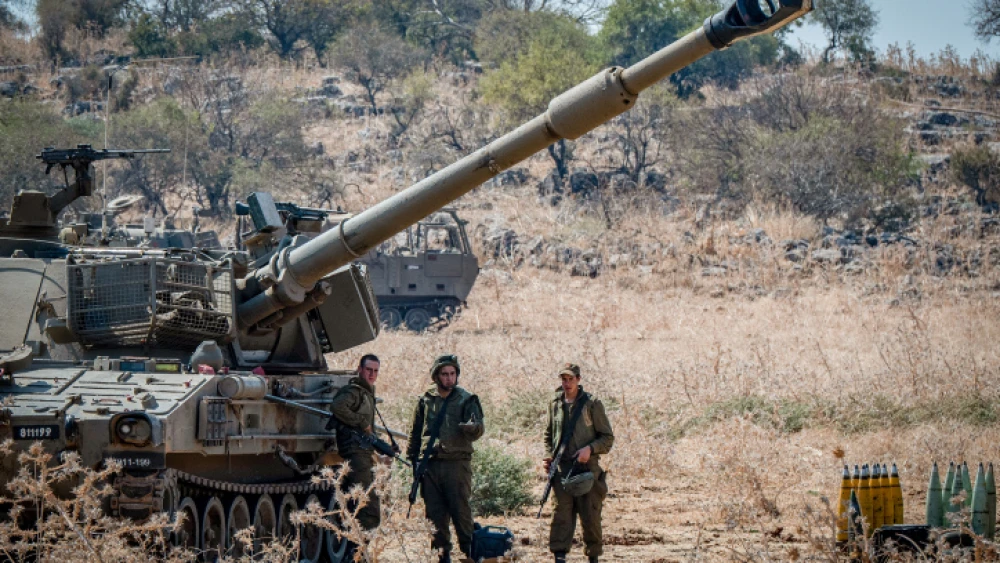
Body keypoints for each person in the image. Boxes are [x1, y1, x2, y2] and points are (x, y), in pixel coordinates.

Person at [407, 354, 485, 563]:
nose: (449, 378)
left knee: (461, 511)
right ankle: (443, 556)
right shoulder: (426, 400)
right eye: (445, 374)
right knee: (435, 515)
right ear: (436, 376)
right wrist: (413, 460)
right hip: (430, 465)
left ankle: (470, 553)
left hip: (456, 464)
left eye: (452, 374)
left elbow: (479, 428)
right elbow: (415, 432)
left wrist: (472, 428)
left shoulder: (466, 399)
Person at [544, 363, 615, 563]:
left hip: (587, 468)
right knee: (561, 518)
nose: (567, 384)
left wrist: (589, 449)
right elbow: (548, 434)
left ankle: (593, 558)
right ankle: (560, 557)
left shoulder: (592, 404)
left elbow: (607, 438)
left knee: (591, 517)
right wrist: (549, 456)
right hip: (562, 469)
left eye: (570, 379)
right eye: (563, 379)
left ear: (578, 379)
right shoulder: (555, 403)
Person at [329, 354, 389, 557]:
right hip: (355, 452)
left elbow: (369, 429)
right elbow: (337, 406)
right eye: (369, 370)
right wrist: (361, 423)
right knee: (369, 507)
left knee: (365, 503)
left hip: (363, 451)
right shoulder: (354, 391)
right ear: (360, 370)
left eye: (375, 371)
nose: (372, 374)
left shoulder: (367, 393)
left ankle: (358, 552)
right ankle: (358, 554)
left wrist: (381, 448)